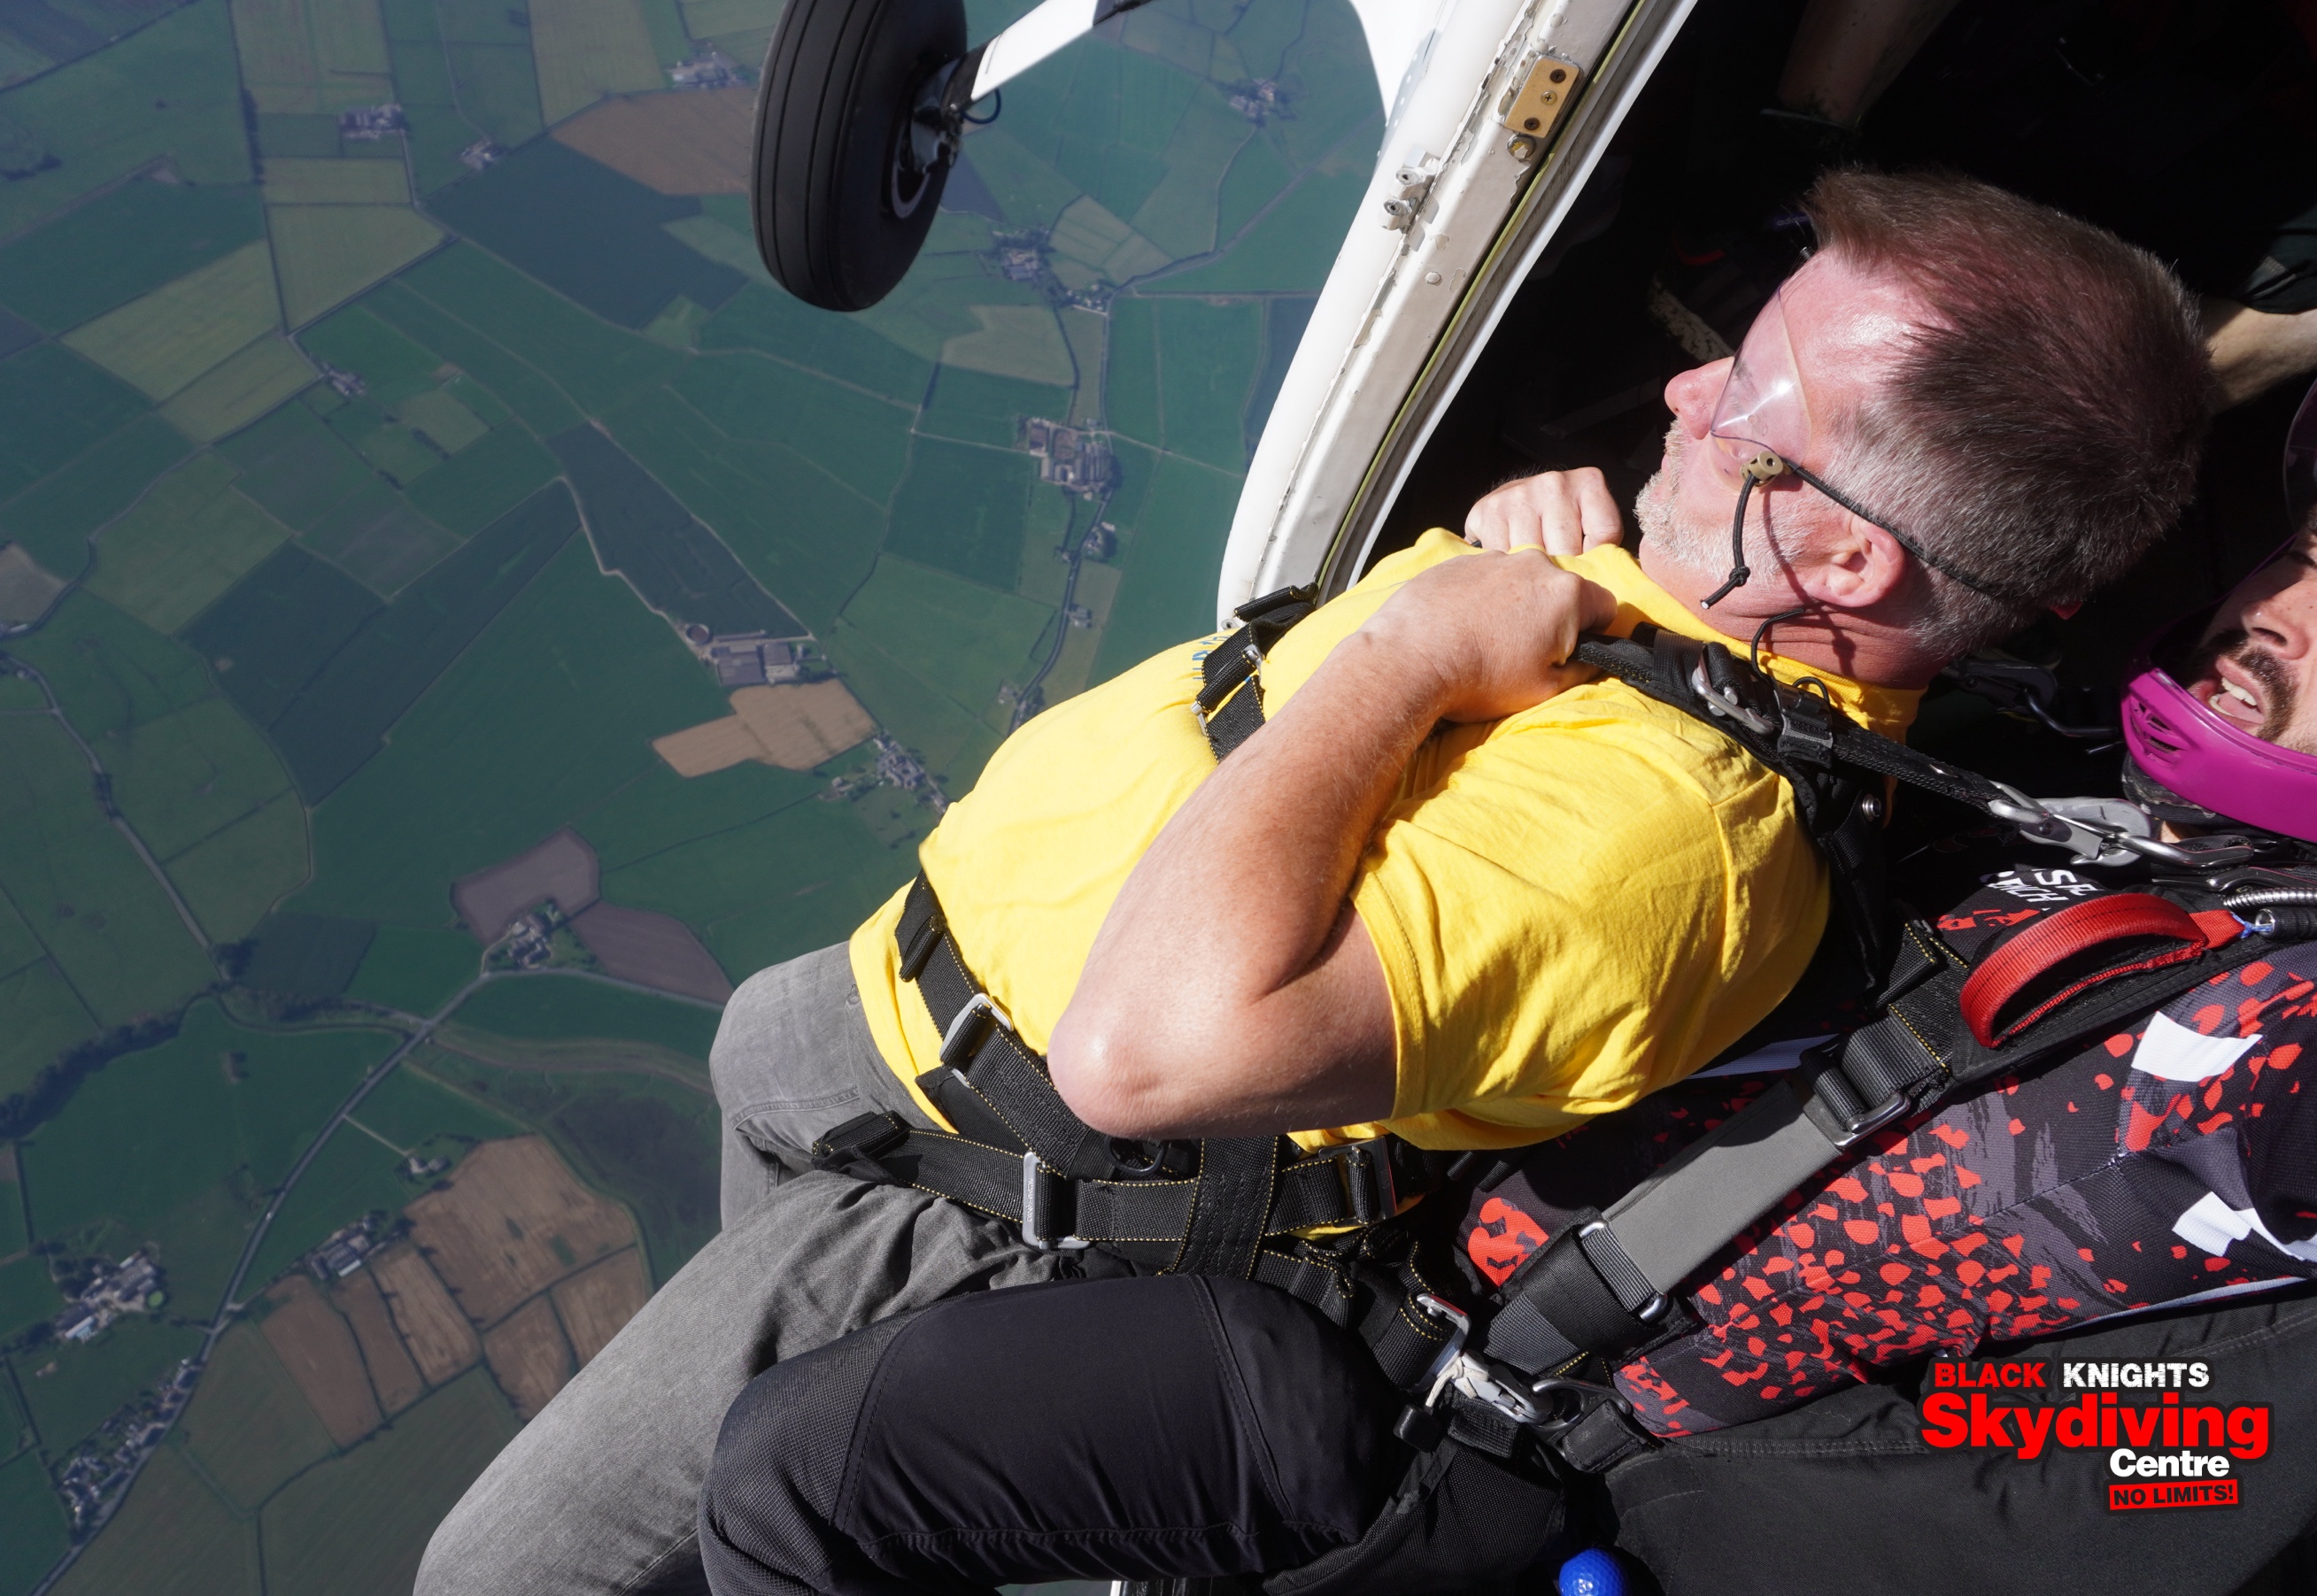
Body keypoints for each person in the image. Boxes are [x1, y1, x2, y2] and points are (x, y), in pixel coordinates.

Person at [413, 171, 2210, 1596]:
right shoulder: (1675, 606)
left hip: (983, 1188)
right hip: (875, 1038)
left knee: (503, 1575)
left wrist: (1412, 643)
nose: (1679, 387)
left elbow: (1149, 1051)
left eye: (1741, 394)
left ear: (1838, 554)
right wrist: (1517, 566)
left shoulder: (1669, 853)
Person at [691, 342, 2317, 1596]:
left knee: (806, 1487)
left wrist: (1695, 1522)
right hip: (1379, 1277)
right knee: (783, 1244)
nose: (2277, 609)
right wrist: (1600, 572)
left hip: (1502, 1477)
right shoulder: (2079, 779)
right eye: (2309, 551)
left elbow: (2177, 1449)